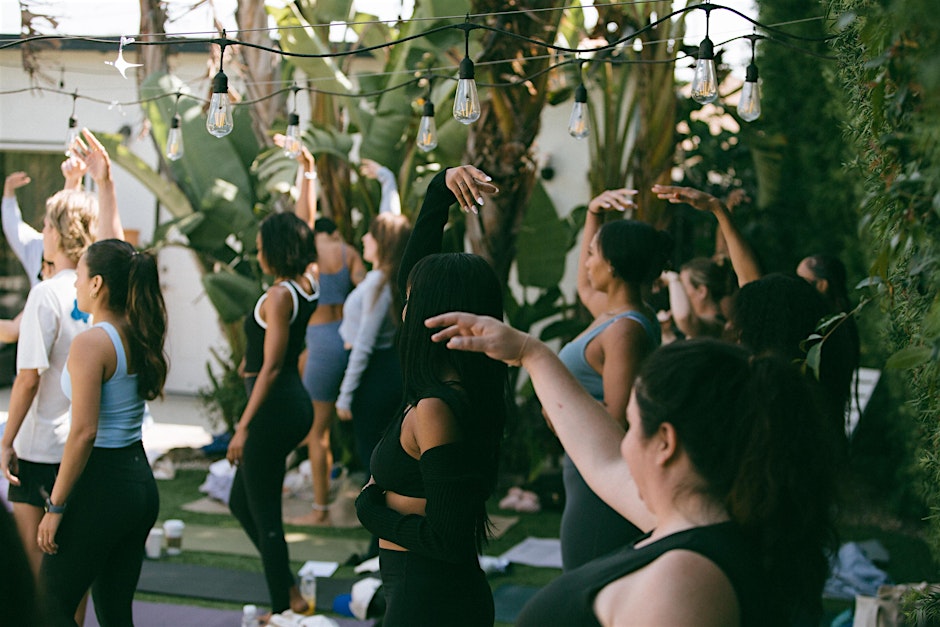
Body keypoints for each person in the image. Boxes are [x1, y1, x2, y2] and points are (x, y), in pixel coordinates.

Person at [426, 317, 838, 627]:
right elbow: (602, 460)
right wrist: (529, 353)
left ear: (666, 442)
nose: (623, 441)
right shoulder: (701, 528)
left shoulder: (687, 581)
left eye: (631, 423)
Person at [355, 164, 506, 626]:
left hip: (431, 596)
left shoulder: (436, 408)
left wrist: (370, 512)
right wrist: (440, 188)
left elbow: (449, 540)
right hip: (419, 588)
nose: (403, 305)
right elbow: (415, 265)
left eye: (412, 298)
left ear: (432, 314)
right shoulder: (440, 385)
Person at [1, 130, 123, 626]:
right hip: (83, 455)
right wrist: (99, 182)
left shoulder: (46, 294)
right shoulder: (104, 296)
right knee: (72, 584)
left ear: (53, 233)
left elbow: (28, 380)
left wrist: (5, 440)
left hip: (39, 453)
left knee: (36, 584)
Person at [37, 239, 167, 626]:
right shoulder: (137, 331)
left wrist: (55, 507)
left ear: (96, 284)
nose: (74, 285)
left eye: (78, 276)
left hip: (103, 485)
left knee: (48, 604)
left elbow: (83, 433)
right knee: (113, 611)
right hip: (138, 485)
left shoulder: (91, 343)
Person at [556, 188, 670, 571]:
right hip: (584, 465)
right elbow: (584, 287)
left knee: (586, 572)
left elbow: (616, 417)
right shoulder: (613, 313)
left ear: (614, 266)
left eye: (593, 254)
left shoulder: (625, 330)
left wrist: (555, 415)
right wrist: (593, 215)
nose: (587, 263)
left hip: (602, 474)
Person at [226, 211, 319, 616]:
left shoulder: (281, 296)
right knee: (239, 502)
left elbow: (272, 365)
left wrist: (243, 426)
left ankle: (283, 610)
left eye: (262, 246)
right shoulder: (308, 281)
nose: (258, 252)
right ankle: (291, 590)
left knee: (266, 517)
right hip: (290, 404)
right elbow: (306, 221)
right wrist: (308, 172)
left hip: (274, 407)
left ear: (278, 249)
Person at [274, 136, 367, 526]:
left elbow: (302, 221)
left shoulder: (309, 253)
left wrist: (305, 172)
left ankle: (320, 509)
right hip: (348, 337)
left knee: (318, 432)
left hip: (320, 340)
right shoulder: (349, 253)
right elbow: (368, 289)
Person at [335, 209, 411, 474]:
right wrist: (385, 178)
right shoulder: (380, 279)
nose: (364, 238)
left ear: (384, 242)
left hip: (374, 376)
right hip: (380, 371)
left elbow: (364, 344)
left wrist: (345, 396)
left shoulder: (379, 285)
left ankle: (379, 513)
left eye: (371, 234)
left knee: (374, 459)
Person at [1, 156, 93, 341]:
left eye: (48, 225)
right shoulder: (91, 280)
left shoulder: (46, 292)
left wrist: (74, 180)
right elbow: (14, 226)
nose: (45, 231)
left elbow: (14, 336)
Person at [660, 256, 735, 340]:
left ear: (701, 292)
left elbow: (685, 319)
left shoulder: (716, 324)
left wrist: (673, 279)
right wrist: (666, 333)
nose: (679, 292)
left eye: (682, 287)